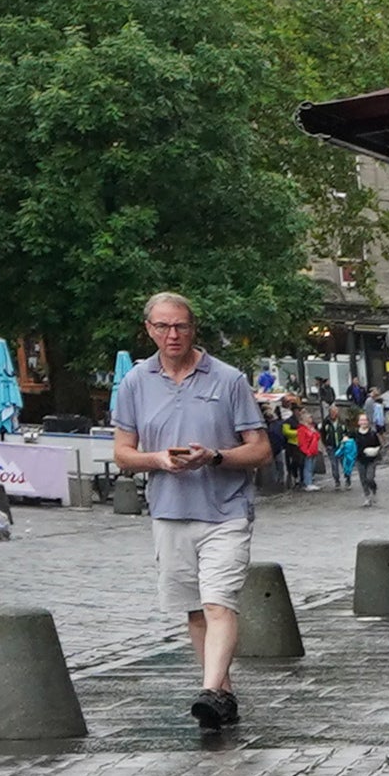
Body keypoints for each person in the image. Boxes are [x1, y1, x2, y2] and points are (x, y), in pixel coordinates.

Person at [111, 290, 268, 735]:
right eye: (162, 326)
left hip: (226, 509)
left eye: (180, 325)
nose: (172, 334)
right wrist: (158, 460)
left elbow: (260, 449)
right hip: (169, 509)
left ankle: (208, 690)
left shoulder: (228, 378)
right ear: (149, 330)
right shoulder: (135, 383)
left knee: (219, 603)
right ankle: (222, 694)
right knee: (196, 612)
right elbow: (123, 452)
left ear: (193, 328)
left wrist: (214, 457)